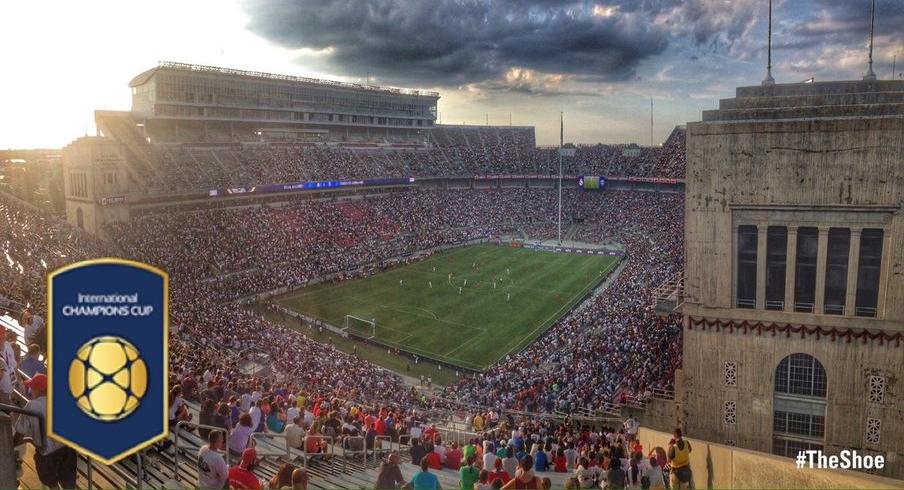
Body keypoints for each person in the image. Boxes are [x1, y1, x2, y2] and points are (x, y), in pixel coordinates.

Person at [14, 374, 77, 489]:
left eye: (32, 388)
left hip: (47, 453)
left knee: (51, 480)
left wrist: (12, 445)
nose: (30, 390)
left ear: (39, 390)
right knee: (68, 481)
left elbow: (20, 430)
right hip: (67, 449)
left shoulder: (32, 406)